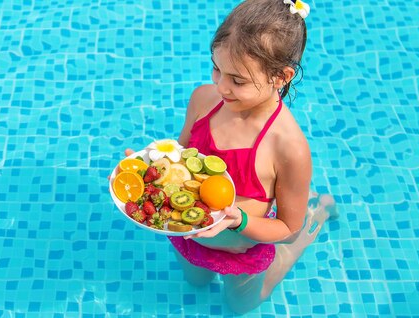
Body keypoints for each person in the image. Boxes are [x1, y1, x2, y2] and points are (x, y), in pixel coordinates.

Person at [125, 0, 336, 314]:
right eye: (216, 68)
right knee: (196, 283)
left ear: (281, 77)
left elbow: (286, 229)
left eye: (237, 80)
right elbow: (181, 160)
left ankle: (316, 212)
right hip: (192, 234)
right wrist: (148, 168)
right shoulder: (203, 100)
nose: (221, 86)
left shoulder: (288, 147)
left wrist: (240, 221)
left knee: (240, 307)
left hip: (242, 246)